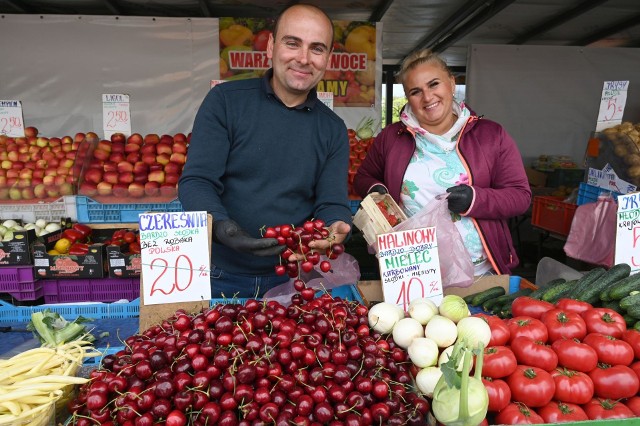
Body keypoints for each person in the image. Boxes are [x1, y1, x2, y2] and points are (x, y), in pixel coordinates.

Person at [178, 4, 352, 299]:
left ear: (328, 59)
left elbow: (332, 202)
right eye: (292, 43)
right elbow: (197, 181)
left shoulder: (333, 128)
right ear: (271, 46)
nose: (303, 58)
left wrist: (336, 225)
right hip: (219, 274)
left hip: (294, 279)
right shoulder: (225, 102)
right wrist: (223, 228)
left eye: (317, 48)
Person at [353, 49, 531, 275]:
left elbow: (520, 197)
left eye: (434, 84)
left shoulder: (491, 135)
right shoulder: (391, 137)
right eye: (416, 91)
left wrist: (475, 199)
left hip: (479, 271)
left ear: (451, 83)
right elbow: (363, 178)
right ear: (408, 97)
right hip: (413, 270)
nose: (427, 98)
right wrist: (376, 191)